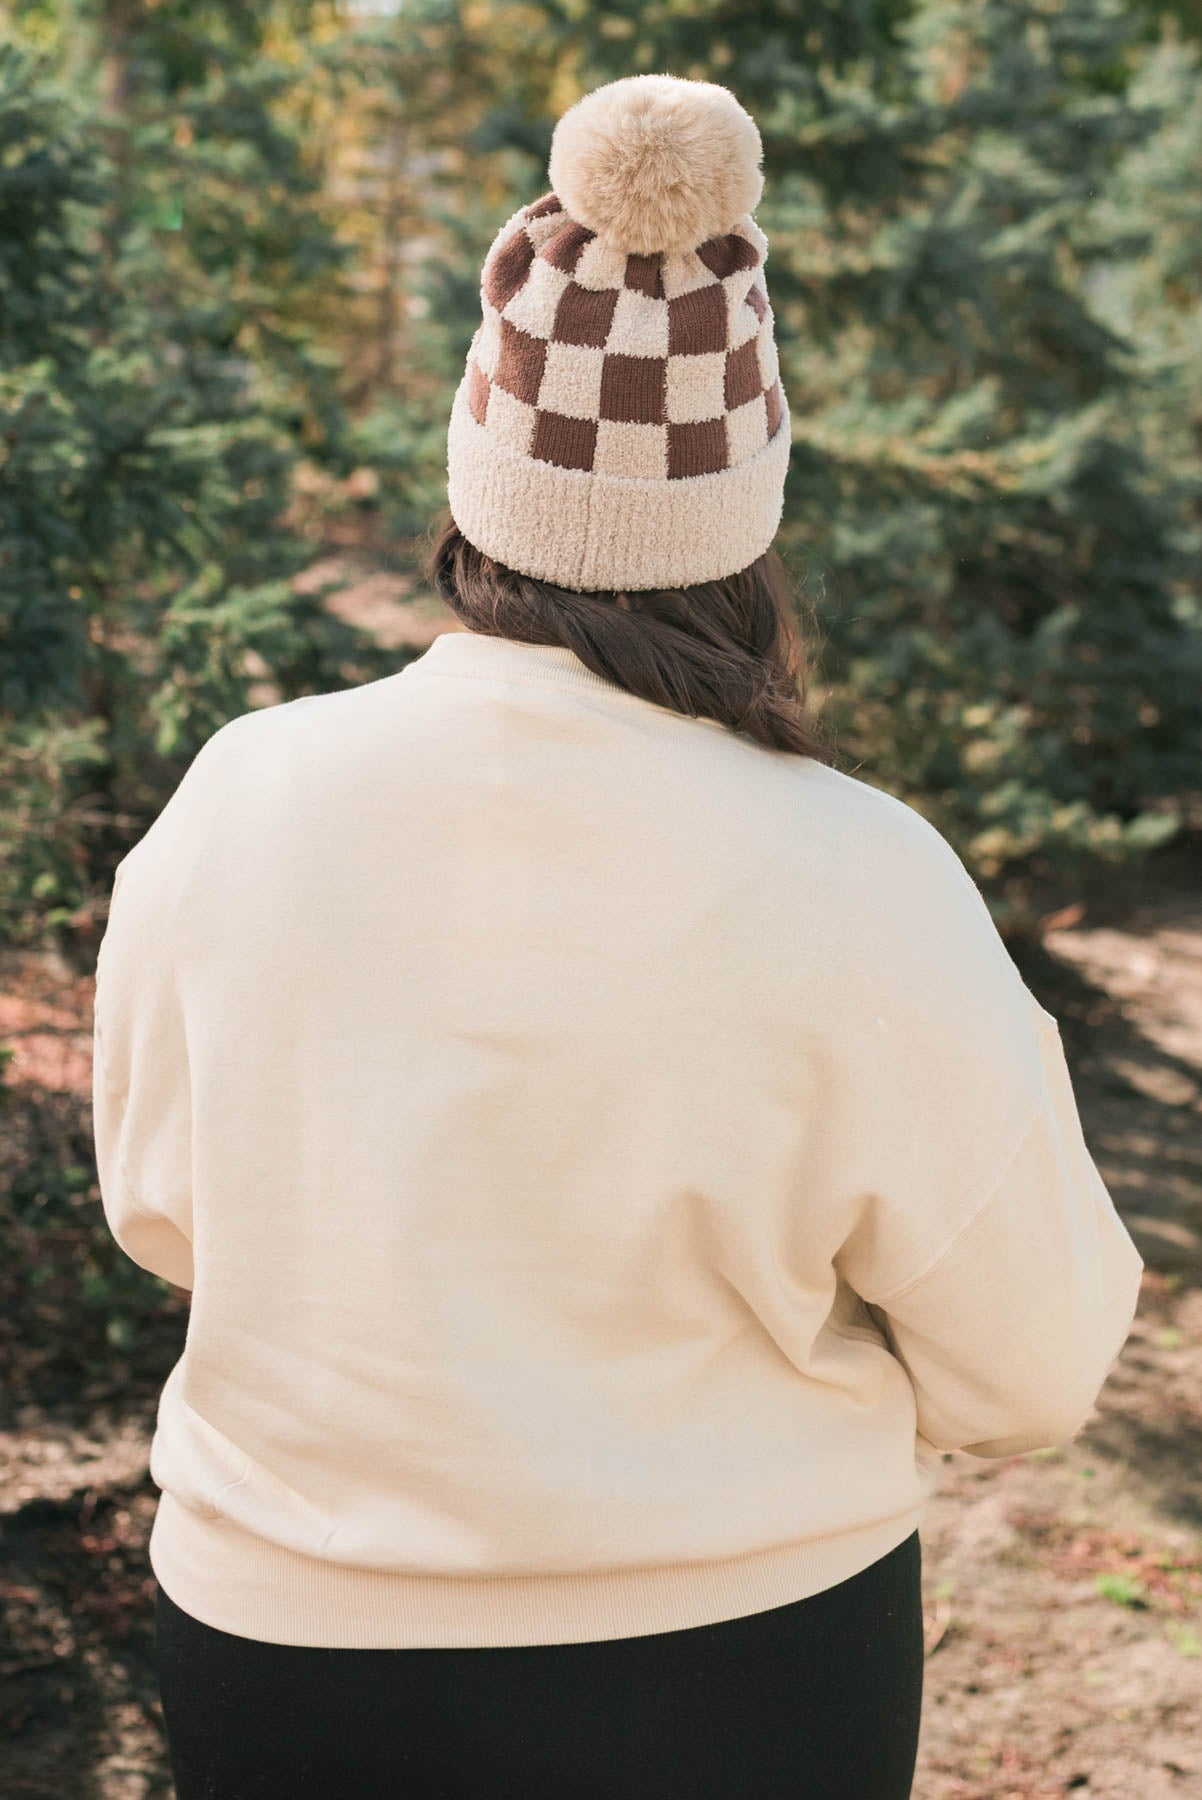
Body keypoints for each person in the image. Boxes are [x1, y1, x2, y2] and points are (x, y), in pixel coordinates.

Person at [92, 73, 1144, 1800]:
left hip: (288, 1642)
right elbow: (1031, 1353)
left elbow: (162, 1212)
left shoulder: (243, 793)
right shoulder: (855, 868)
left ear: (474, 474)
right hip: (739, 1667)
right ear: (748, 506)